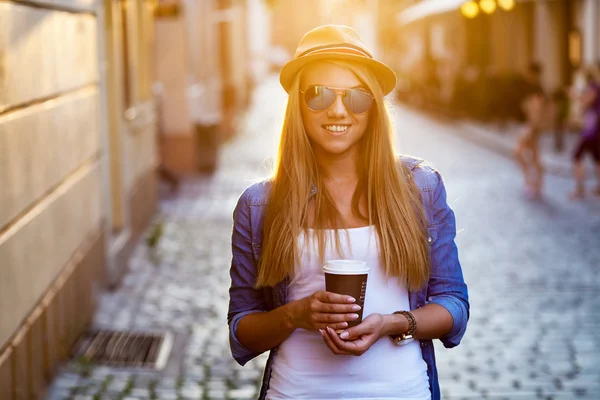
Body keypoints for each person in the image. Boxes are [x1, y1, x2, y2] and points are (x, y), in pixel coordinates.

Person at [227, 25, 469, 400]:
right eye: (319, 95)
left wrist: (392, 323)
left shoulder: (420, 189)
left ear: (372, 106)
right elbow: (242, 329)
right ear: (297, 106)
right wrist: (296, 314)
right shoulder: (259, 206)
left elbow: (453, 304)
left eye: (355, 97)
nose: (338, 110)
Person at [514, 62, 546, 199]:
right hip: (531, 126)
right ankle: (535, 184)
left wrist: (531, 128)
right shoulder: (535, 87)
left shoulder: (535, 89)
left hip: (531, 127)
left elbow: (536, 111)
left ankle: (532, 182)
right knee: (533, 156)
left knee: (520, 153)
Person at [569, 65, 600, 199]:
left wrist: (574, 95)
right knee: (597, 159)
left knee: (577, 156)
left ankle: (580, 189)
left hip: (592, 132)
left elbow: (586, 101)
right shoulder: (594, 87)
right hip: (592, 130)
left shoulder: (594, 87)